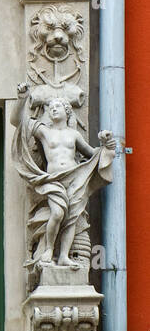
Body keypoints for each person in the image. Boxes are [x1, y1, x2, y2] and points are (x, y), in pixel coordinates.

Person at [13, 85, 117, 268]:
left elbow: (92, 154)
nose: (53, 109)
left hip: (75, 178)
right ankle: (49, 250)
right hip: (53, 180)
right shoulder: (44, 131)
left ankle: (63, 256)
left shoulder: (74, 134)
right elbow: (17, 121)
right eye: (50, 107)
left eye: (57, 107)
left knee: (72, 218)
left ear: (67, 111)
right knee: (58, 212)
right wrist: (22, 98)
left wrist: (106, 145)